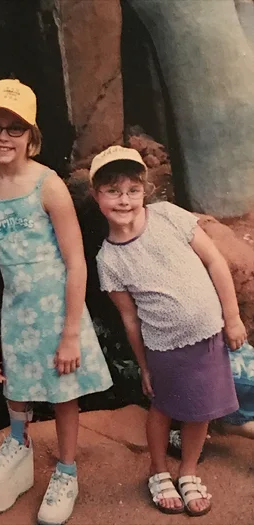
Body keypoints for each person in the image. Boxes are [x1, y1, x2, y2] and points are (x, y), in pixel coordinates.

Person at [0, 79, 112, 525]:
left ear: (32, 135)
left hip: (57, 311)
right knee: (17, 386)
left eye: (15, 128)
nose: (4, 137)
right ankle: (19, 441)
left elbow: (76, 262)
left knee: (63, 392)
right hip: (17, 312)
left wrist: (71, 332)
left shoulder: (48, 186)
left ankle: (66, 470)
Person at [90, 145, 247, 517]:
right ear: (96, 195)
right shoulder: (108, 260)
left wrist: (233, 317)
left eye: (132, 190)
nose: (124, 200)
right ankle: (159, 471)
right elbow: (129, 319)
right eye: (112, 191)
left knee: (201, 409)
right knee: (162, 408)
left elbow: (214, 262)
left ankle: (188, 471)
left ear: (144, 190)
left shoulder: (168, 215)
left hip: (209, 335)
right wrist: (144, 365)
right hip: (163, 345)